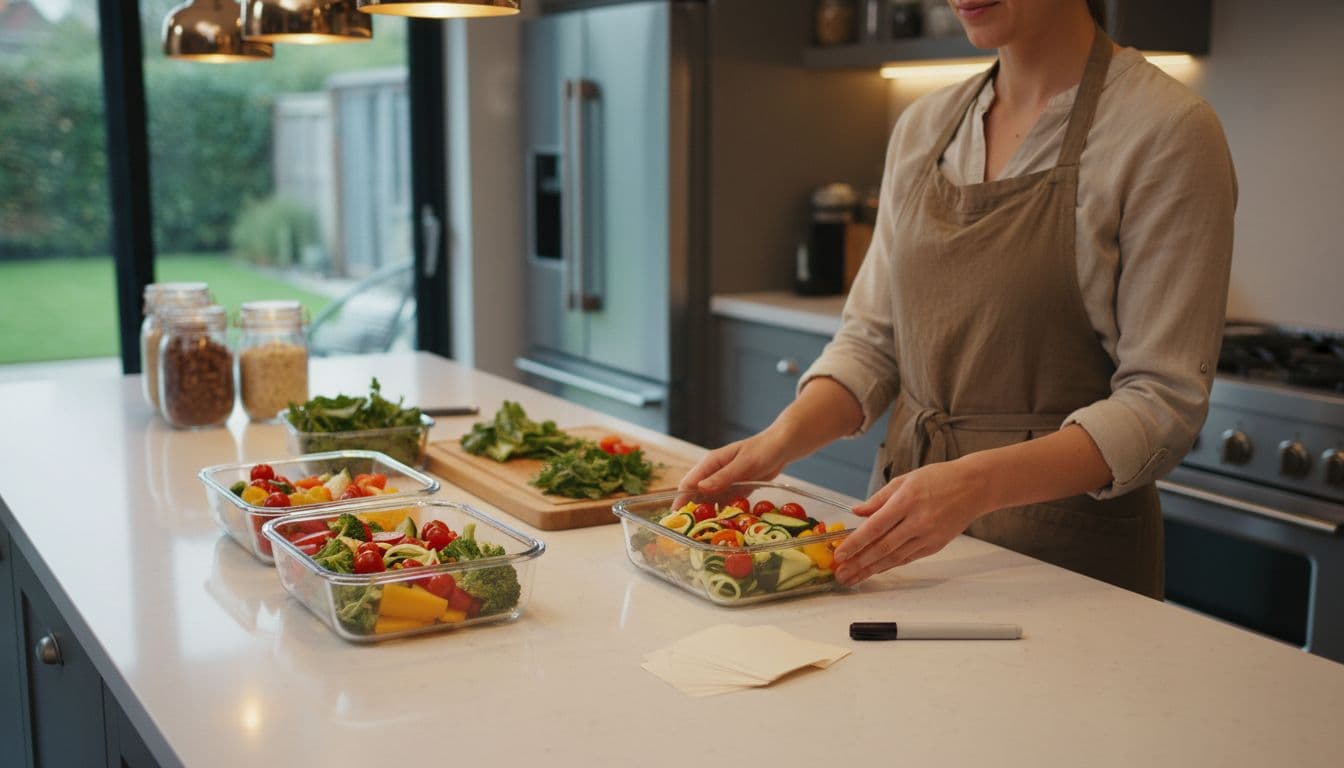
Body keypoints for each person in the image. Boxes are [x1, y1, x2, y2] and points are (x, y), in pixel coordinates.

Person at [677, 0, 1237, 598]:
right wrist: (775, 445)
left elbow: (1161, 404)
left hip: (1068, 565)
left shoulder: (1167, 131)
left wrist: (972, 485)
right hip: (898, 546)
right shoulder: (925, 126)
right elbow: (873, 341)